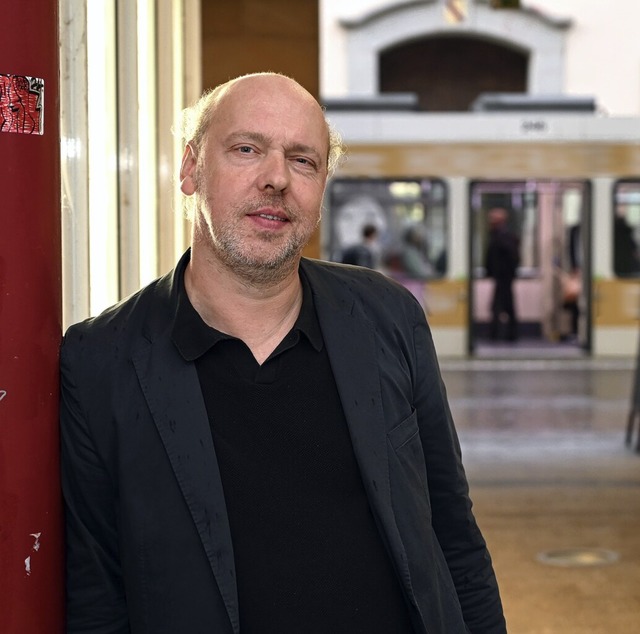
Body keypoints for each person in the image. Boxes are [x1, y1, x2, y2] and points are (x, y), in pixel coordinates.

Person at [60, 72, 506, 634]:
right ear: (191, 168)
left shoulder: (388, 317)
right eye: (247, 149)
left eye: (303, 161)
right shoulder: (100, 360)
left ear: (321, 190)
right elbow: (98, 597)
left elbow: (454, 537)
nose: (276, 180)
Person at [485, 207, 520, 341]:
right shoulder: (503, 236)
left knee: (501, 306)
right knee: (501, 306)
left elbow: (510, 257)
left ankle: (501, 335)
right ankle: (502, 335)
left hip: (504, 277)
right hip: (502, 277)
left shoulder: (503, 237)